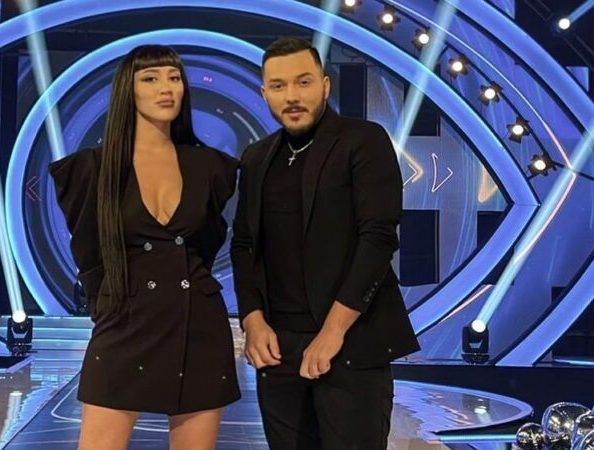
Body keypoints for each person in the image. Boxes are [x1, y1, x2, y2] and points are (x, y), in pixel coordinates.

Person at [230, 37, 420, 450]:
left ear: (325, 85)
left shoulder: (363, 140)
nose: (292, 96)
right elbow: (244, 245)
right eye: (278, 86)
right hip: (278, 350)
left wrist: (333, 331)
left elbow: (378, 238)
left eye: (303, 82)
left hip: (351, 342)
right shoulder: (257, 157)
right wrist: (252, 320)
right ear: (264, 93)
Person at [48, 45, 240, 450]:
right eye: (151, 78)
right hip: (124, 320)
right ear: (127, 90)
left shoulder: (211, 167)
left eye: (174, 77)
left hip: (198, 324)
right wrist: (110, 307)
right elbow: (89, 255)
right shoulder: (91, 169)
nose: (166, 88)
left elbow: (206, 246)